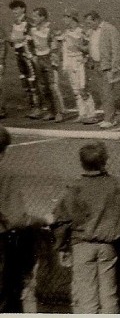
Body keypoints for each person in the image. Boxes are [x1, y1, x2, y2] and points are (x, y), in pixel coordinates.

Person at [52, 141, 120, 314]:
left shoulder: (75, 187)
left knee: (87, 298)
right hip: (108, 245)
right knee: (109, 296)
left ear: (82, 163)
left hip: (82, 245)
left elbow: (62, 219)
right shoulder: (114, 185)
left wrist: (62, 246)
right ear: (104, 162)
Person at [0, 127, 48, 312]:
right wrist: (42, 220)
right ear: (3, 150)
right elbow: (17, 219)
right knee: (7, 297)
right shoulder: (5, 175)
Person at [83, 11, 120, 129]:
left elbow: (116, 49)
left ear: (96, 20)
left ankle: (110, 119)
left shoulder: (110, 29)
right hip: (96, 65)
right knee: (102, 93)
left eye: (90, 22)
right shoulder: (92, 32)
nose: (89, 25)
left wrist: (114, 68)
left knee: (107, 92)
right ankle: (108, 117)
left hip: (107, 66)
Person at [60, 10, 97, 124]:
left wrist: (86, 58)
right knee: (75, 89)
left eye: (66, 17)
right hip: (71, 62)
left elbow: (89, 47)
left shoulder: (82, 32)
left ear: (72, 18)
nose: (64, 20)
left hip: (80, 61)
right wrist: (65, 65)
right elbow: (64, 50)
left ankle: (91, 114)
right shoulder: (65, 33)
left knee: (83, 88)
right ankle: (82, 114)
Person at [29, 7, 65, 121]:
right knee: (43, 86)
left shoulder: (50, 29)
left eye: (35, 16)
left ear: (42, 17)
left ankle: (60, 112)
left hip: (48, 59)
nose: (33, 18)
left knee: (53, 86)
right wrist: (33, 56)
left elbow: (55, 47)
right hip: (38, 60)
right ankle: (51, 111)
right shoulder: (32, 29)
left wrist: (54, 62)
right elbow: (29, 44)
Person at [7, 0, 40, 118]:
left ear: (23, 9)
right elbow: (12, 40)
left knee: (33, 79)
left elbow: (32, 39)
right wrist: (15, 40)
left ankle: (38, 107)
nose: (14, 11)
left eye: (16, 9)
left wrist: (18, 39)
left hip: (27, 54)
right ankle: (32, 106)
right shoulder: (14, 23)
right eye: (13, 9)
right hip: (18, 54)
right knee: (25, 80)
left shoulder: (29, 22)